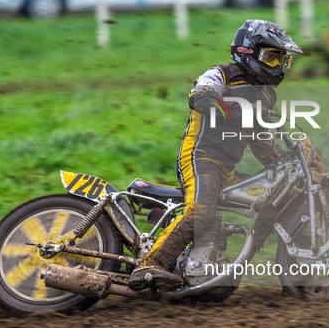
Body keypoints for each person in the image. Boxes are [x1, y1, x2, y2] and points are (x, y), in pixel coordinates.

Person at [128, 19, 303, 292]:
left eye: (281, 59)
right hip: (201, 159)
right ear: (248, 52)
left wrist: (287, 166)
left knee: (288, 199)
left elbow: (261, 142)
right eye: (271, 57)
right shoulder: (220, 74)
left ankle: (302, 276)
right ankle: (152, 264)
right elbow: (201, 97)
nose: (277, 66)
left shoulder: (266, 95)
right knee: (202, 212)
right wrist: (235, 109)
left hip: (228, 169)